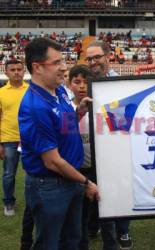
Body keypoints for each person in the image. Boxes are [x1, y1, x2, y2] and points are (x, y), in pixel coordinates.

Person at [18, 37, 99, 250]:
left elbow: (64, 125)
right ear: (37, 67)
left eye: (63, 61)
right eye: (56, 62)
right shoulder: (35, 107)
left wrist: (79, 111)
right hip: (51, 186)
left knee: (72, 239)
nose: (63, 67)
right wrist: (86, 182)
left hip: (70, 179)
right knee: (49, 243)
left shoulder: (60, 89)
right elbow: (52, 162)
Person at [85, 41, 133, 250]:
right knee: (97, 192)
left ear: (108, 57)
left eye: (96, 57)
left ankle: (122, 231)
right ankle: (98, 226)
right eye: (89, 59)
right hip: (92, 150)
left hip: (118, 148)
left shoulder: (120, 83)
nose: (92, 62)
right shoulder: (83, 83)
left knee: (121, 191)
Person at [68, 64, 95, 250]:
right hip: (73, 169)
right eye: (77, 82)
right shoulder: (66, 107)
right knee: (74, 214)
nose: (82, 86)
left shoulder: (99, 107)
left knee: (87, 212)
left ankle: (86, 238)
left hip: (94, 167)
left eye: (86, 81)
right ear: (68, 84)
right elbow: (65, 133)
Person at [0, 59, 28, 216]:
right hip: (9, 139)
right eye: (13, 70)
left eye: (19, 69)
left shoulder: (31, 90)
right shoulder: (1, 93)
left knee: (30, 174)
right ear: (6, 72)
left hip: (28, 140)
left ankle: (31, 202)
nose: (16, 72)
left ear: (24, 71)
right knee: (9, 174)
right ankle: (9, 202)